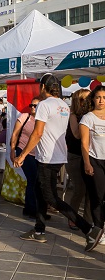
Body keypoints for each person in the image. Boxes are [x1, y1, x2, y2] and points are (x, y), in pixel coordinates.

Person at [15, 74, 102, 252]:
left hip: (46, 158)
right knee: (40, 193)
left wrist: (22, 155)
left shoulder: (43, 105)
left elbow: (38, 133)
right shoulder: (64, 105)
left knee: (51, 198)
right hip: (58, 156)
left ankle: (88, 229)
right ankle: (39, 231)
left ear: (43, 88)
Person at [80, 85, 105, 247]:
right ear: (93, 99)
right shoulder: (88, 117)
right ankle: (99, 230)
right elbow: (84, 143)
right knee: (98, 197)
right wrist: (87, 163)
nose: (102, 101)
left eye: (104, 98)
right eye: (98, 97)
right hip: (95, 161)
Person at [65, 89, 92, 229]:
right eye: (85, 99)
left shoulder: (92, 115)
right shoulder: (74, 116)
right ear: (78, 101)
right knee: (79, 189)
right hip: (75, 157)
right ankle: (73, 217)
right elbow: (76, 134)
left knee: (90, 190)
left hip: (89, 157)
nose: (88, 101)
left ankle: (88, 220)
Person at [10, 96, 40, 219]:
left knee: (37, 181)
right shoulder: (24, 117)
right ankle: (32, 209)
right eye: (31, 105)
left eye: (35, 106)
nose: (32, 108)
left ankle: (32, 208)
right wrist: (12, 150)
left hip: (39, 154)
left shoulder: (42, 120)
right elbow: (15, 133)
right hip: (23, 151)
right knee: (32, 179)